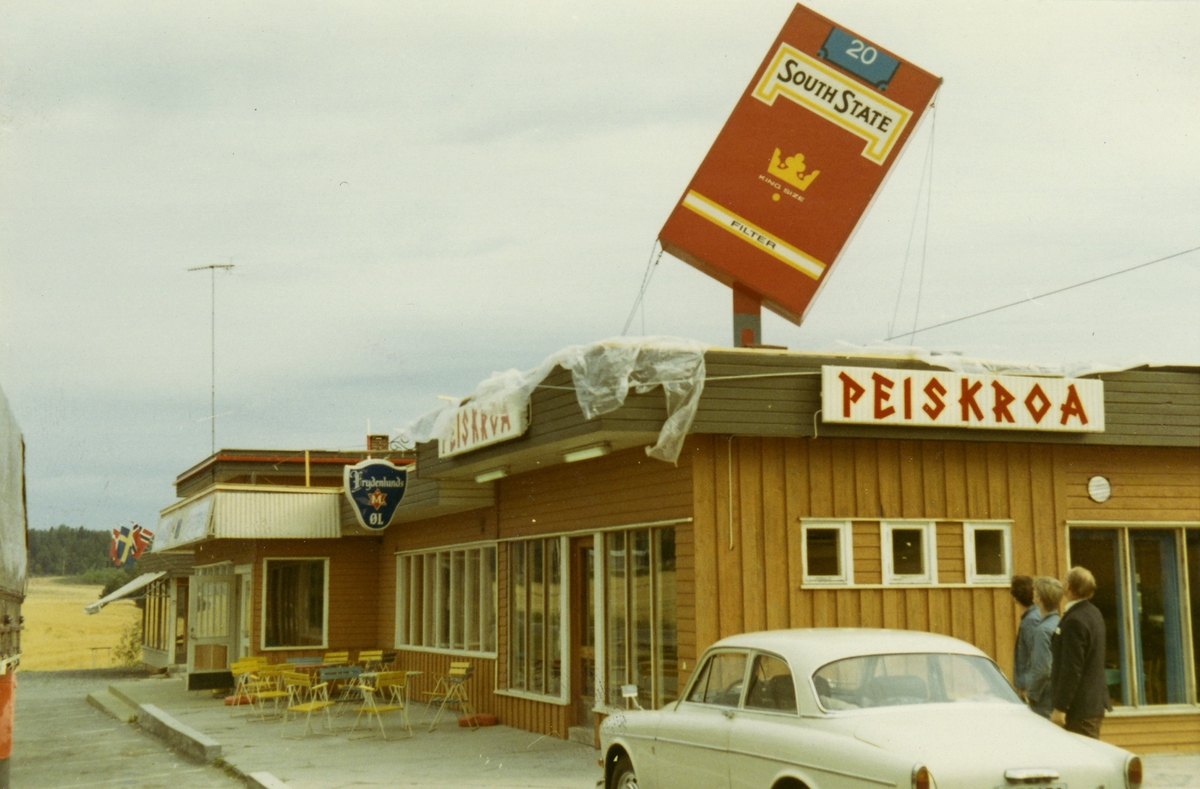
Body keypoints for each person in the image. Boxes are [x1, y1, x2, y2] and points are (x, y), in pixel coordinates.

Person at [1050, 566, 1109, 738]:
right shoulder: (1094, 613)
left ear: (1067, 587)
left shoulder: (1074, 620)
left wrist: (1060, 708)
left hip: (1078, 710)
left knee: (1081, 760)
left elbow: (1072, 668)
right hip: (1092, 705)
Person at [1026, 576, 1063, 718]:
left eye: (1035, 593)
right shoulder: (1060, 623)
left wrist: (1031, 695)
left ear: (1039, 599)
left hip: (1044, 700)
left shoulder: (1043, 630)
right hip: (1057, 697)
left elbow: (1042, 669)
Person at [1010, 575, 1041, 700]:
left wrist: (1028, 689)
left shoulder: (1030, 621)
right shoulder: (1033, 617)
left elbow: (1036, 656)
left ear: (1015, 598)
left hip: (1030, 690)